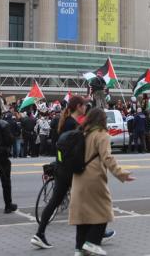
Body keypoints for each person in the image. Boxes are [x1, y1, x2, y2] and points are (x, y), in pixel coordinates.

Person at [69, 108, 135, 256]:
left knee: (83, 216)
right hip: (93, 177)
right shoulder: (102, 135)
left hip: (78, 177)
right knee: (104, 210)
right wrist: (122, 174)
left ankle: (79, 249)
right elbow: (108, 158)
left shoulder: (82, 132)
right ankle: (92, 243)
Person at [31, 95, 87, 249]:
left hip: (61, 166)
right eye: (84, 105)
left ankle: (39, 234)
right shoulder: (73, 124)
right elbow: (75, 150)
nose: (85, 108)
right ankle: (91, 237)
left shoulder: (64, 121)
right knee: (84, 201)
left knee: (55, 201)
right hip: (70, 169)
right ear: (78, 107)